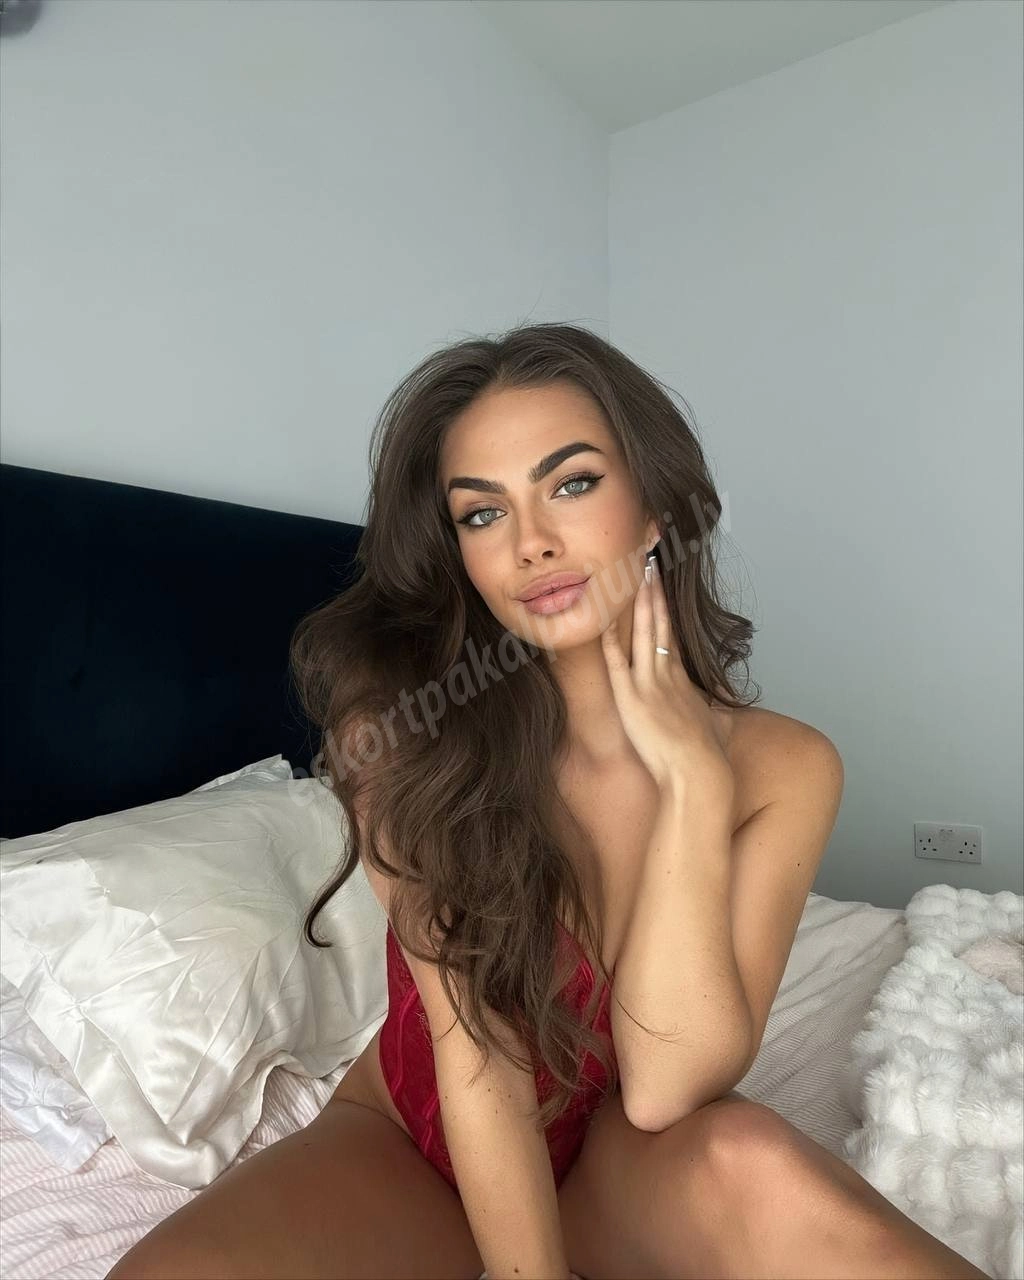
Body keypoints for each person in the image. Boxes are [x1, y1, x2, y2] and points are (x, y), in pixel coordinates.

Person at [107, 323, 990, 1279]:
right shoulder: (405, 735)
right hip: (416, 1141)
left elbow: (665, 1089)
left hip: (623, 1148)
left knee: (756, 1161)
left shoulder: (788, 767)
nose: (531, 543)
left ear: (654, 510)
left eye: (572, 484)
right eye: (483, 513)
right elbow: (478, 1057)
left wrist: (692, 784)